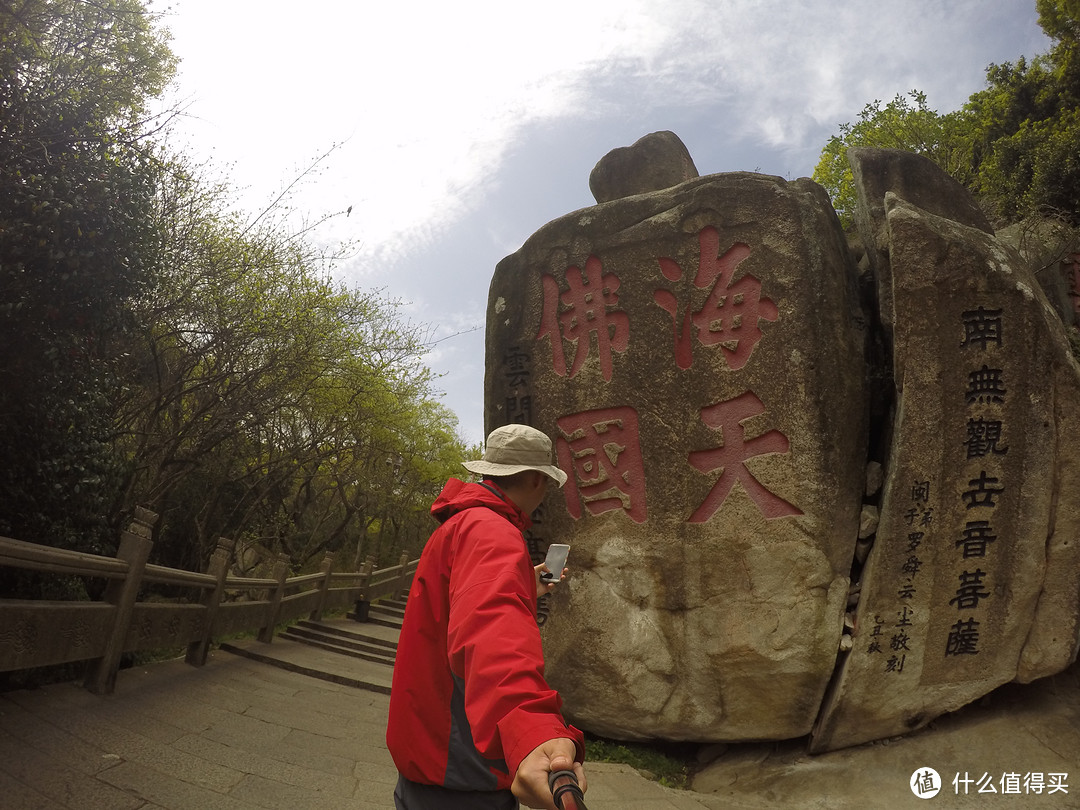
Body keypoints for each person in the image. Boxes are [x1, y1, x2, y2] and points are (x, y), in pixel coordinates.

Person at [386, 423, 587, 810]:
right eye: (545, 482)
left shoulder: (461, 524)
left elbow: (465, 610)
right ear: (533, 479)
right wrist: (531, 726)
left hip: (427, 753)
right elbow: (492, 633)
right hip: (462, 767)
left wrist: (524, 585)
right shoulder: (492, 531)